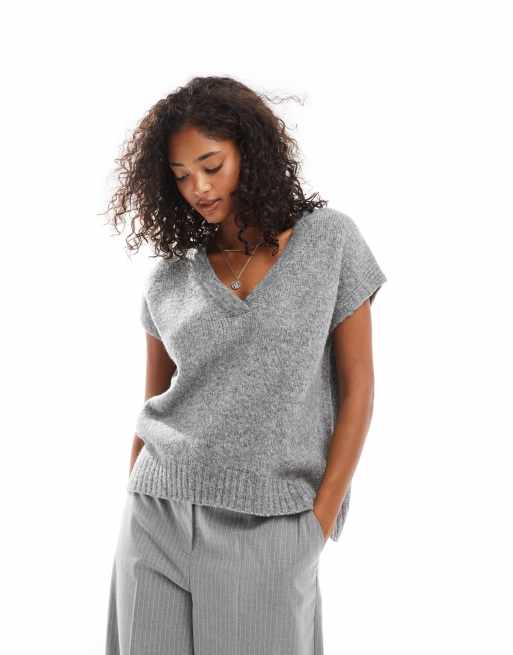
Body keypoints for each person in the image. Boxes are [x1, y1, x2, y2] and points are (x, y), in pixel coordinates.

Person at [103, 75, 387, 655]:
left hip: (273, 527)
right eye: (181, 175)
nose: (199, 187)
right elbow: (153, 401)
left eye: (211, 165)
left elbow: (358, 388)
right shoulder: (170, 279)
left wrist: (319, 520)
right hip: (156, 516)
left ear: (250, 153)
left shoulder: (329, 242)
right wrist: (135, 489)